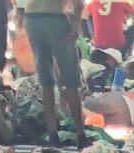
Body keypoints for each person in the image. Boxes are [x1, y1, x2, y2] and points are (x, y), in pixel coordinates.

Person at [22, 0, 86, 142]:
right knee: (70, 79)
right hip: (56, 17)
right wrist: (75, 26)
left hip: (32, 18)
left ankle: (52, 135)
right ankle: (81, 134)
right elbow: (78, 4)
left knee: (46, 80)